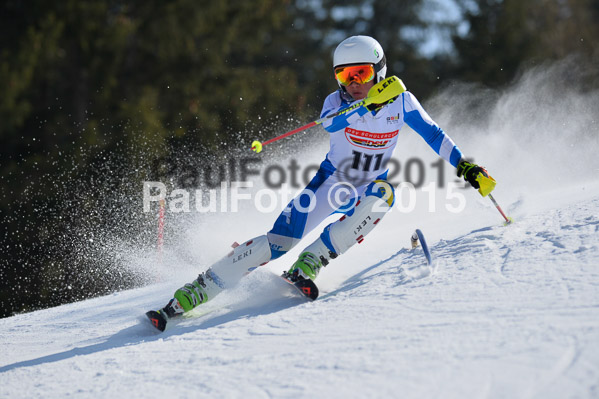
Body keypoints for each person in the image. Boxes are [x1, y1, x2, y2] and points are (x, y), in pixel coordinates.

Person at [148, 35, 493, 327]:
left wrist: (466, 167)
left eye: (361, 73)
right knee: (279, 242)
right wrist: (365, 107)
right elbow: (330, 123)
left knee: (385, 196)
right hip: (330, 184)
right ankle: (196, 291)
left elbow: (433, 135)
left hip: (369, 187)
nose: (353, 82)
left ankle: (309, 264)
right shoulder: (336, 102)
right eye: (344, 75)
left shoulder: (401, 102)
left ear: (379, 70)